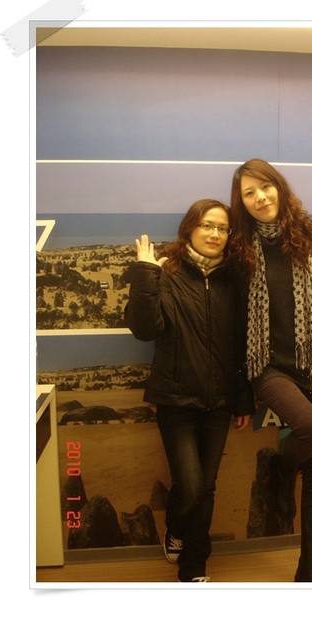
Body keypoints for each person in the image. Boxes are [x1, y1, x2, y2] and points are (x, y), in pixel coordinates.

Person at [228, 159, 312, 582]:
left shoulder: (311, 236)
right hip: (266, 363)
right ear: (241, 202)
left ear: (279, 187)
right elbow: (234, 318)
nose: (260, 197)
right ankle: (281, 472)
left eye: (265, 187)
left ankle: (309, 568)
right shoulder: (239, 248)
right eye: (249, 193)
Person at [124, 199, 253, 583]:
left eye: (223, 228)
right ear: (190, 229)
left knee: (206, 487)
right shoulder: (167, 272)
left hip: (219, 402)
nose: (215, 234)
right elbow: (144, 329)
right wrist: (146, 274)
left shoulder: (232, 279)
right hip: (176, 400)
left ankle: (194, 567)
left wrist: (243, 398)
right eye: (207, 225)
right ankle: (176, 529)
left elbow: (240, 345)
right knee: (192, 485)